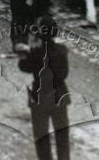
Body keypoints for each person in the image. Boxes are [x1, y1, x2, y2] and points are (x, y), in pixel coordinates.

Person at [17, 17, 70, 160]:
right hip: (59, 95)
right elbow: (63, 74)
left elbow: (24, 66)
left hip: (40, 98)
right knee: (62, 134)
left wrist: (25, 53)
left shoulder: (36, 54)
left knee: (41, 135)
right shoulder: (61, 50)